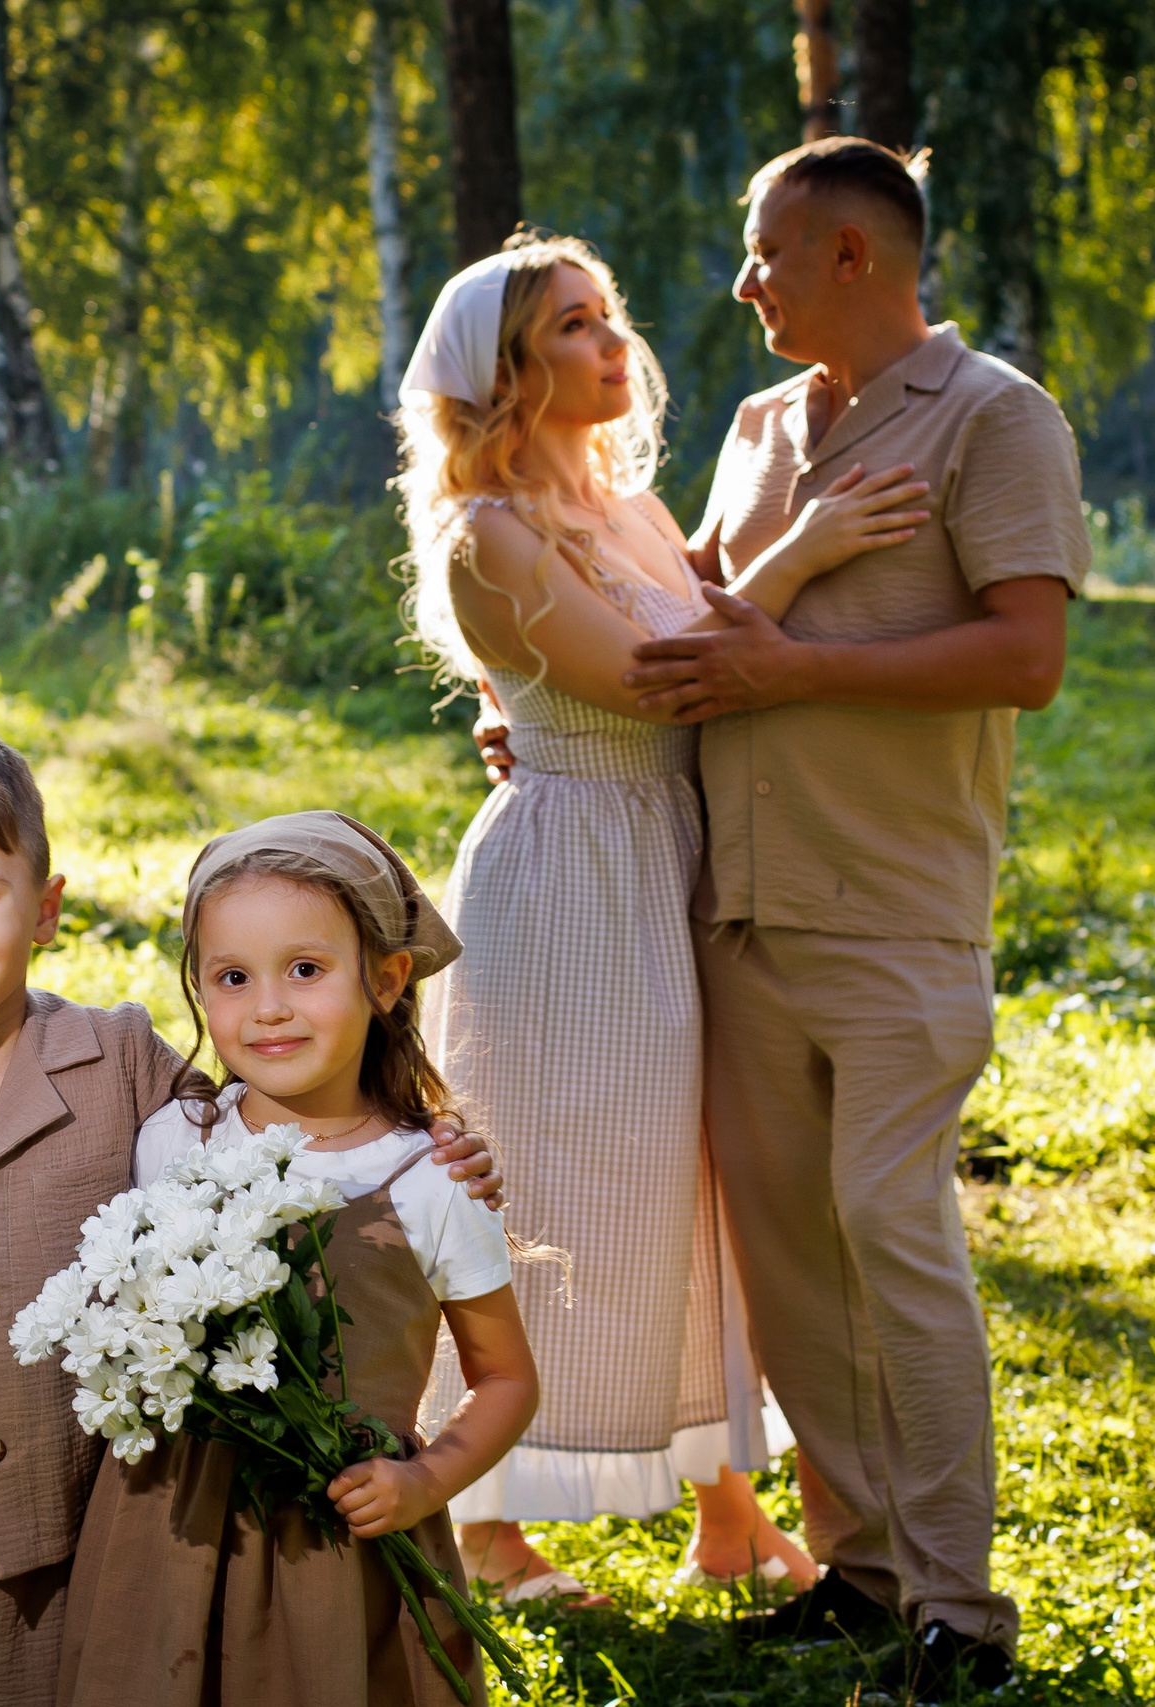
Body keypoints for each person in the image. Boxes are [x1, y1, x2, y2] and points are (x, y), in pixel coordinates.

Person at [604, 136, 1088, 1700]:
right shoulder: (755, 425)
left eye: (765, 254)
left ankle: (962, 1612)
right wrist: (552, 707)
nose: (742, 283)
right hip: (735, 914)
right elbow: (686, 618)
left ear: (854, 257)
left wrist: (800, 672)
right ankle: (864, 1571)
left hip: (893, 916)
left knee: (895, 1235)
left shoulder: (997, 419)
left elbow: (1026, 657)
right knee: (797, 1261)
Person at [399, 236, 926, 1606]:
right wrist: (808, 550)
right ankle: (486, 1524)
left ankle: (730, 1512)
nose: (611, 342)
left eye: (607, 315)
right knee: (554, 1187)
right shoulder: (489, 533)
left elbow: (682, 608)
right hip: (570, 876)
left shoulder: (626, 506)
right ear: (507, 371)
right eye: (574, 326)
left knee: (698, 1187)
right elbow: (662, 678)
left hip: (670, 859)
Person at [0, 728, 498, 1706]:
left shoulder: (121, 1063)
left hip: (88, 1540)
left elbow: (270, 1121)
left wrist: (432, 1141)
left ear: (47, 910)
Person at [56, 811, 538, 1707]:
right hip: (173, 1524)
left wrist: (424, 1482)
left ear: (388, 979)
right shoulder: (175, 1141)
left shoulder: (429, 1177)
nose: (268, 1006)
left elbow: (507, 1377)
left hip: (344, 1529)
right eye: (232, 977)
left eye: (305, 970)